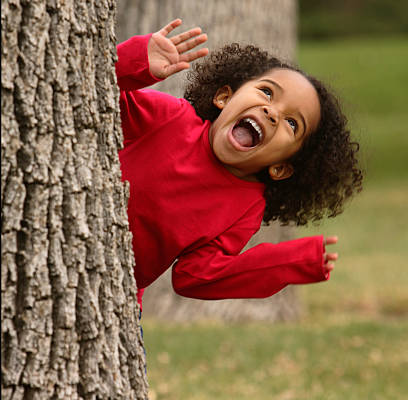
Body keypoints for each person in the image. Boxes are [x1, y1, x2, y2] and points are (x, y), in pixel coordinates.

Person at [116, 19, 363, 308]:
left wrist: (289, 262)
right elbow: (98, 96)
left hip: (114, 291)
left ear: (281, 167)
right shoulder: (172, 119)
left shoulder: (246, 207)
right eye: (268, 92)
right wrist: (136, 60)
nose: (272, 112)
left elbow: (194, 276)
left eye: (292, 123)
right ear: (224, 97)